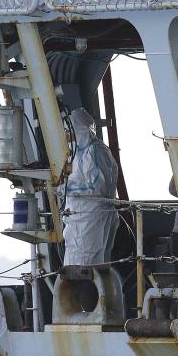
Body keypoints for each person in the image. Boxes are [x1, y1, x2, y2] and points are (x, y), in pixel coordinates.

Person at [61, 108, 119, 266]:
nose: (67, 134)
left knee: (88, 265)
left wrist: (66, 188)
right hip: (78, 218)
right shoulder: (78, 153)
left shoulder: (96, 151)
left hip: (91, 217)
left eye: (70, 129)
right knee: (76, 264)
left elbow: (97, 188)